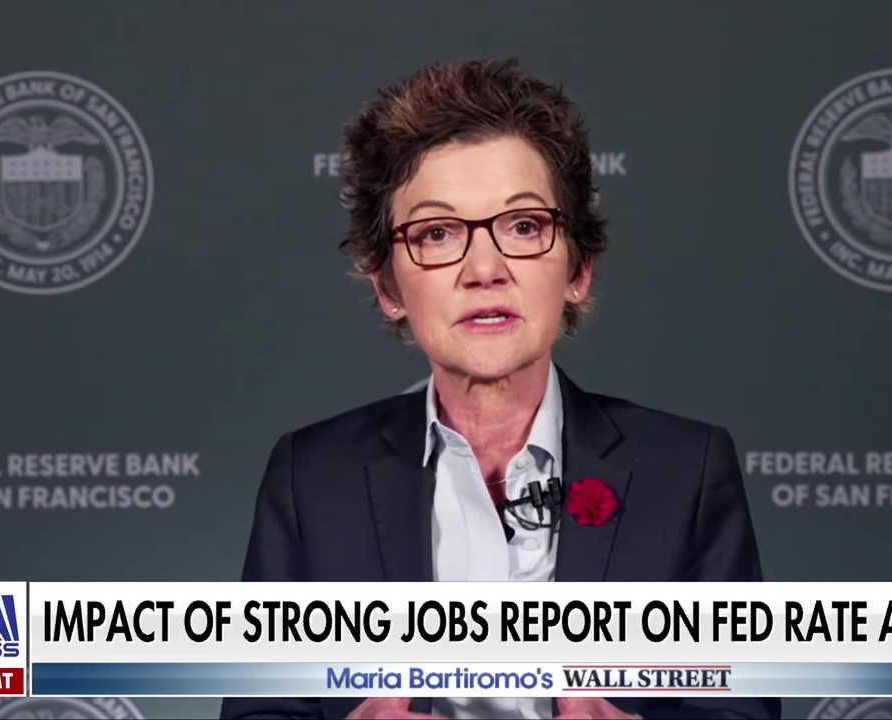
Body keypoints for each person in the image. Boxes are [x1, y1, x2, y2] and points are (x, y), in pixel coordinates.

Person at [221, 58, 778, 720]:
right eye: (436, 233)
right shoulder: (311, 477)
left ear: (579, 269)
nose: (484, 268)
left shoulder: (686, 471)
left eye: (523, 226)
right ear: (389, 286)